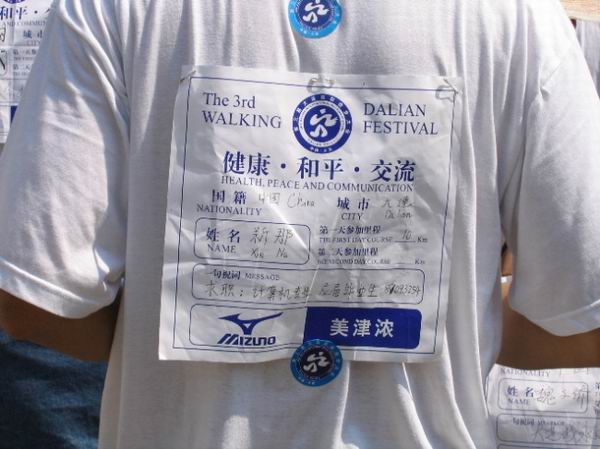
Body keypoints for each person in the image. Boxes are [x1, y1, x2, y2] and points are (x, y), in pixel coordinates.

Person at [0, 1, 599, 448]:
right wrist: (452, 328)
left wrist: (180, 330)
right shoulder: (516, 17)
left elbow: (33, 300)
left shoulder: (111, 8)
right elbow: (588, 319)